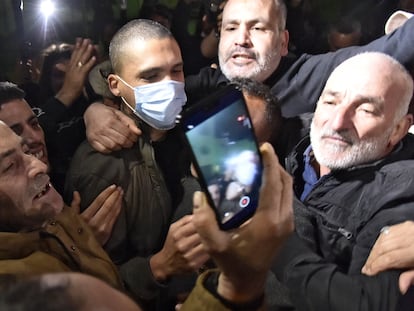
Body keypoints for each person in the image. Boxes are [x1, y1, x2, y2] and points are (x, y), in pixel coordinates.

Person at [82, 0, 414, 154]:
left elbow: (398, 46)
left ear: (283, 42)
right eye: (231, 28)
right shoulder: (204, 86)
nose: (242, 38)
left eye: (257, 27)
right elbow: (129, 86)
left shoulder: (314, 75)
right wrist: (96, 110)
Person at [64, 19, 209, 310]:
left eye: (176, 70)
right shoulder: (103, 168)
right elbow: (99, 283)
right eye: (150, 76)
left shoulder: (192, 122)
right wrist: (158, 269)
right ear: (116, 85)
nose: (168, 86)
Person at [269, 52, 414, 310]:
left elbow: (358, 302)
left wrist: (276, 238)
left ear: (398, 129)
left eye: (366, 110)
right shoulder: (288, 133)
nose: (337, 122)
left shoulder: (402, 195)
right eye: (330, 101)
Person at [0, 121, 123, 290]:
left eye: (26, 151)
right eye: (10, 166)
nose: (40, 166)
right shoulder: (12, 287)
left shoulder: (50, 215)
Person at [0, 81, 122, 246]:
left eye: (34, 124)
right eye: (14, 132)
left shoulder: (59, 154)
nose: (35, 138)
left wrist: (94, 111)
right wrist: (76, 248)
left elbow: (95, 119)